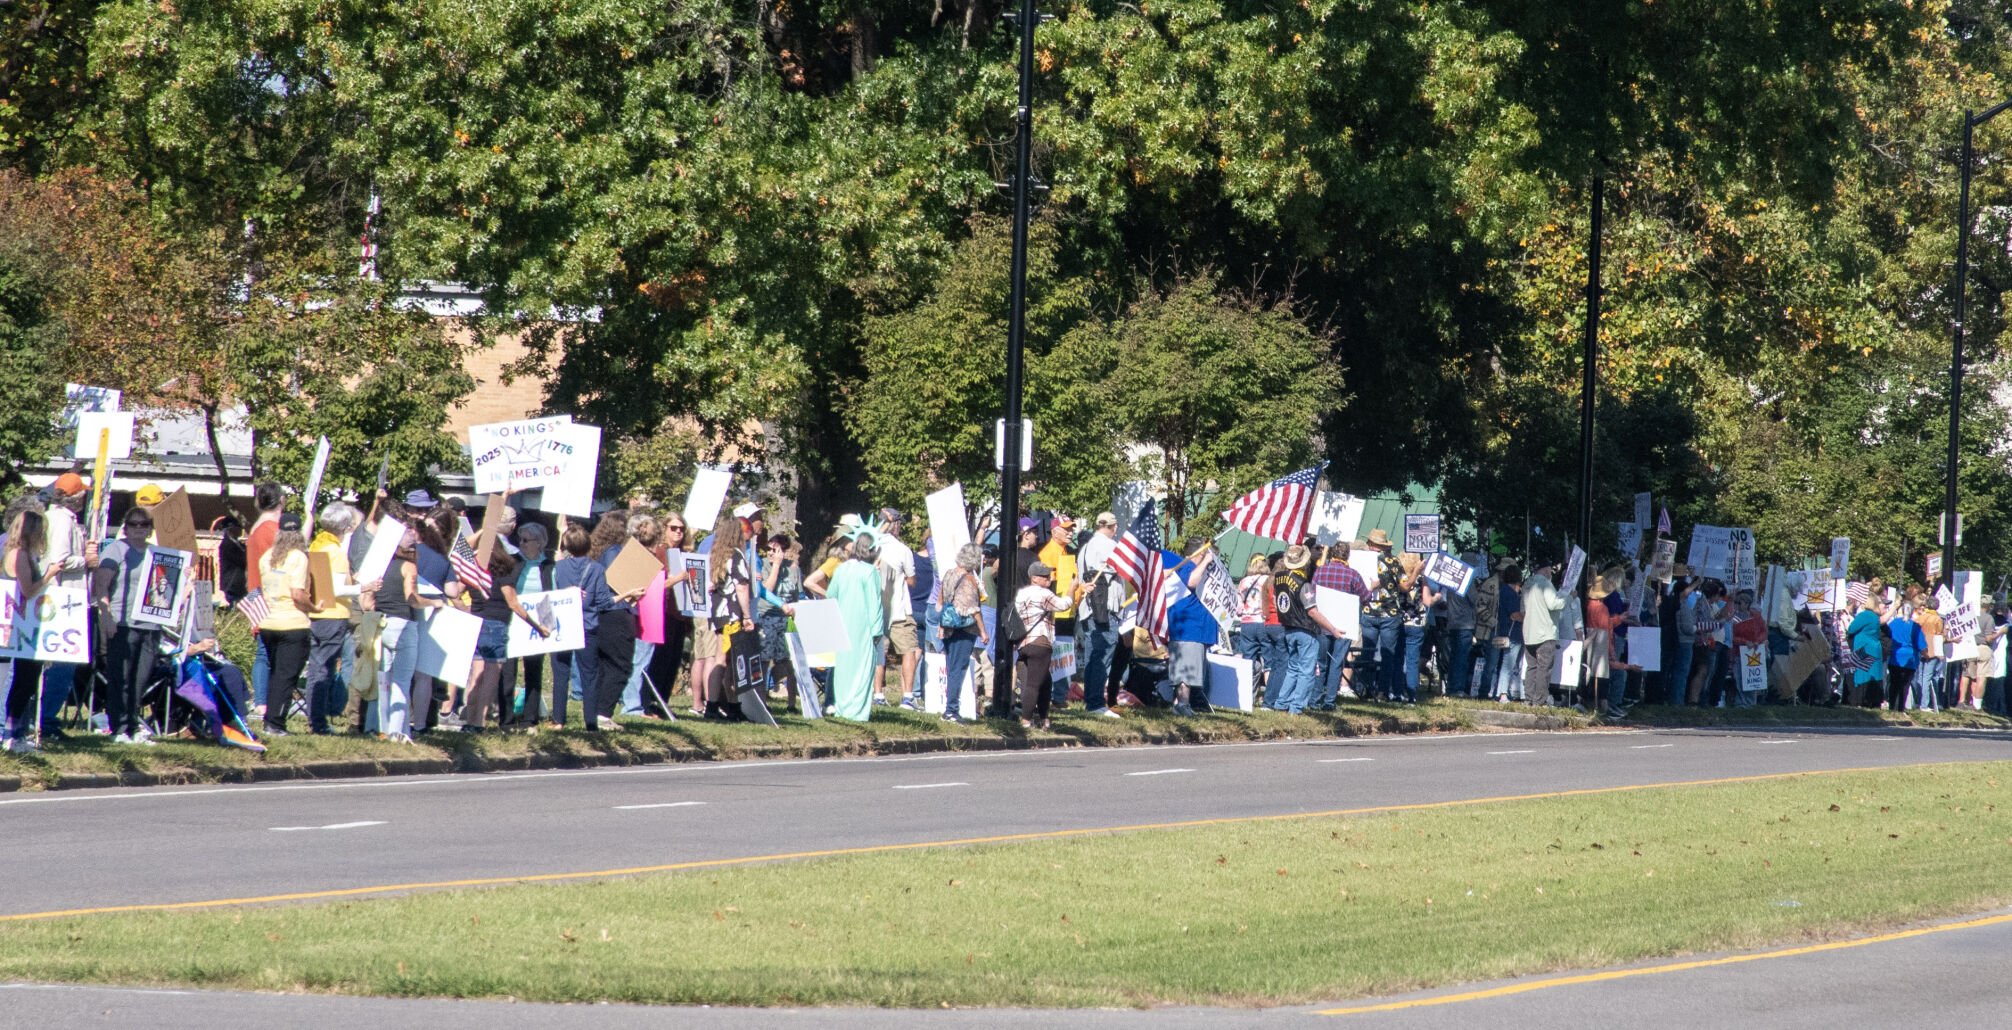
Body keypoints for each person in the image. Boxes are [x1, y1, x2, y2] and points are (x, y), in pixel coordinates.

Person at [95, 506, 170, 744]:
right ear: (125, 528)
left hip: (151, 624)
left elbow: (167, 588)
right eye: (133, 524)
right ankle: (119, 727)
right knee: (121, 677)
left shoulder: (157, 553)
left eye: (144, 524)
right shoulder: (117, 549)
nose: (139, 528)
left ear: (150, 529)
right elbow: (101, 585)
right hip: (122, 620)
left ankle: (134, 724)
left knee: (140, 679)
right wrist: (106, 617)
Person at [463, 547, 550, 732]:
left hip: (476, 624)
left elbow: (454, 592)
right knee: (490, 678)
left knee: (475, 676)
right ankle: (479, 722)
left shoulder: (474, 572)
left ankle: (470, 720)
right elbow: (513, 603)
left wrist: (464, 611)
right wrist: (537, 626)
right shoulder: (502, 572)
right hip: (496, 625)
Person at [371, 524, 440, 743]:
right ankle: (397, 733)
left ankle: (384, 727)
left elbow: (367, 599)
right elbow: (412, 598)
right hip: (403, 625)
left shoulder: (378, 566)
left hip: (380, 623)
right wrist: (433, 602)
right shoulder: (408, 567)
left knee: (384, 680)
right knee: (402, 681)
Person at [36, 472, 91, 735]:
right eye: (83, 493)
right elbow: (58, 560)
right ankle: (46, 720)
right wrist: (87, 560)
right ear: (76, 497)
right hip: (63, 598)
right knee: (62, 664)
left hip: (60, 598)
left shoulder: (55, 517)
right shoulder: (63, 521)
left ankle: (43, 718)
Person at [256, 514, 320, 736]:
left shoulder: (267, 557)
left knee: (275, 674)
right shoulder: (298, 557)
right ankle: (276, 723)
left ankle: (269, 720)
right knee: (286, 677)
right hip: (292, 623)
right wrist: (314, 608)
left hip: (268, 621)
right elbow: (297, 594)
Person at [303, 502, 364, 734]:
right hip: (333, 614)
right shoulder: (337, 552)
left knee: (317, 668)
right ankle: (318, 722)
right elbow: (337, 589)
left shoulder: (319, 544)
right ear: (346, 527)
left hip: (317, 612)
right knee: (324, 670)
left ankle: (314, 719)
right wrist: (363, 588)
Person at [3, 509, 58, 752]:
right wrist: (49, 575)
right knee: (20, 681)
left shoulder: (19, 553)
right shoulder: (20, 555)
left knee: (25, 681)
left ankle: (16, 733)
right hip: (18, 627)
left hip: (22, 626)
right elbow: (27, 590)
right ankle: (11, 734)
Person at [1013, 560, 1089, 728]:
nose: (1049, 578)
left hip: (1023, 642)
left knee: (1044, 680)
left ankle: (1043, 718)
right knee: (1034, 684)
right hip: (1040, 641)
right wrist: (1072, 588)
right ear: (1034, 578)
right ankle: (1026, 721)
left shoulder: (1021, 594)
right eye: (1045, 576)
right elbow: (1064, 605)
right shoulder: (1043, 593)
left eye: (1049, 575)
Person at [553, 522, 614, 730]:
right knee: (589, 674)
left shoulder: (559, 567)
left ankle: (559, 720)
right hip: (587, 626)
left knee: (561, 673)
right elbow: (604, 602)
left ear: (567, 546)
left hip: (563, 625)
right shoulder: (596, 569)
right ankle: (590, 722)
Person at [1271, 545, 1345, 714]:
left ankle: (1282, 703)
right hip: (1304, 628)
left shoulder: (1279, 578)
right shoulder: (1303, 584)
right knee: (1306, 670)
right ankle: (1296, 707)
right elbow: (1312, 611)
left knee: (1293, 667)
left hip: (1288, 627)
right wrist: (1332, 629)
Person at [699, 510, 756, 720]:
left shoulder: (717, 555)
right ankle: (718, 706)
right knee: (725, 660)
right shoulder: (736, 555)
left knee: (725, 659)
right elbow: (742, 587)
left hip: (718, 614)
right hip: (732, 614)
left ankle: (726, 704)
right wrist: (747, 616)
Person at [823, 531, 885, 721]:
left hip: (843, 623)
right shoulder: (870, 572)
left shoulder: (842, 569)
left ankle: (842, 707)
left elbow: (831, 594)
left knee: (843, 668)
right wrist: (877, 631)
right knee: (862, 668)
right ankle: (857, 712)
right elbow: (874, 604)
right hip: (863, 628)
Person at [506, 522, 557, 726]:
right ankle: (507, 717)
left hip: (538, 621)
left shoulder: (549, 566)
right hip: (514, 619)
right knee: (508, 670)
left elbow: (554, 593)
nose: (522, 544)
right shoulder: (514, 562)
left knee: (534, 669)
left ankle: (530, 717)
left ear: (540, 543)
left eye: (526, 540)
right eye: (520, 540)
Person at [1162, 538, 1220, 717]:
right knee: (1185, 671)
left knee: (1191, 669)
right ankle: (1183, 704)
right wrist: (1206, 561)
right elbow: (1192, 581)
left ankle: (1179, 704)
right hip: (1188, 628)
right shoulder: (1185, 567)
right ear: (1200, 554)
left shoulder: (1197, 569)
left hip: (1198, 630)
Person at [1310, 542, 1371, 709]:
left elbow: (1312, 594)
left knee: (1321, 663)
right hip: (1344, 624)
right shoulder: (1353, 575)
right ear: (1347, 555)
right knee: (1337, 663)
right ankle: (1329, 701)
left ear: (1332, 555)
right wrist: (1372, 587)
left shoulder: (1320, 571)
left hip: (1323, 623)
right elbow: (1365, 597)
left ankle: (1314, 700)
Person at [1075, 512, 1125, 716]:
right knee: (1102, 653)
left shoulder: (1085, 547)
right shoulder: (1106, 546)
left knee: (1092, 655)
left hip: (1089, 608)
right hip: (1104, 608)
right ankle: (1095, 703)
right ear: (1113, 527)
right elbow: (1121, 568)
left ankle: (1092, 700)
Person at [244, 481, 285, 713]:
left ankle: (263, 700)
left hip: (256, 589)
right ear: (281, 501)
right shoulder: (269, 529)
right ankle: (262, 701)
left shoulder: (258, 526)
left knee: (265, 650)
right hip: (266, 592)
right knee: (265, 651)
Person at [937, 543, 988, 723]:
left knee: (952, 666)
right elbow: (973, 609)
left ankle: (950, 708)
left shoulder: (949, 573)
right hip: (964, 628)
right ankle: (951, 710)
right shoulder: (968, 579)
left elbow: (941, 600)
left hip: (949, 625)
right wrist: (983, 631)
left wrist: (941, 625)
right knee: (958, 668)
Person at [876, 509, 920, 709]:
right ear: (894, 524)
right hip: (899, 609)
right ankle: (908, 697)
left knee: (879, 652)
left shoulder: (870, 545)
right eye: (900, 524)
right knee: (909, 651)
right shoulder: (903, 550)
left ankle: (877, 694)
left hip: (876, 609)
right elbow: (911, 581)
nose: (900, 527)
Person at [758, 534, 802, 711]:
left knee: (788, 662)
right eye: (768, 549)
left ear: (784, 551)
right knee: (764, 660)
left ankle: (791, 703)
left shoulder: (793, 570)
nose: (770, 553)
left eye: (774, 550)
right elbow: (767, 589)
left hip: (786, 620)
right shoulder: (763, 565)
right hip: (766, 616)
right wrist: (775, 565)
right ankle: (762, 701)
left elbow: (797, 595)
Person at [1519, 558, 1567, 707]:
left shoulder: (1527, 584)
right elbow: (1554, 604)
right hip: (1545, 632)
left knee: (1531, 667)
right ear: (1546, 570)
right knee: (1544, 668)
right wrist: (1567, 595)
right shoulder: (1545, 584)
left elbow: (1522, 610)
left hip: (1529, 632)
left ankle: (1528, 699)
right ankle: (1540, 700)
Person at [1235, 554, 1280, 692]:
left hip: (1247, 623)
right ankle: (1269, 695)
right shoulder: (1269, 580)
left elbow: (1238, 608)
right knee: (1268, 660)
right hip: (1263, 622)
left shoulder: (1244, 582)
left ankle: (1246, 694)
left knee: (1248, 660)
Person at [1845, 590, 1885, 709]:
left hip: (1864, 647)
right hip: (1874, 646)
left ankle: (1860, 700)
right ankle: (1873, 701)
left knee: (1862, 674)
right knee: (1873, 675)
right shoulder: (1875, 616)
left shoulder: (1865, 615)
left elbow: (1851, 629)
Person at [1884, 597, 1924, 712]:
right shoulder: (1915, 626)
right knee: (1904, 685)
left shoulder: (1893, 623)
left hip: (1895, 657)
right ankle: (1900, 708)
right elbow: (1921, 645)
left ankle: (1892, 706)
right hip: (1910, 658)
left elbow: (1888, 637)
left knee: (1894, 683)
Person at [1915, 593, 1944, 712]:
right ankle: (1924, 704)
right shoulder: (1937, 619)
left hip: (1920, 648)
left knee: (1919, 676)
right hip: (1932, 649)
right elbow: (1939, 635)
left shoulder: (1920, 617)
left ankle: (1918, 700)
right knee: (1927, 677)